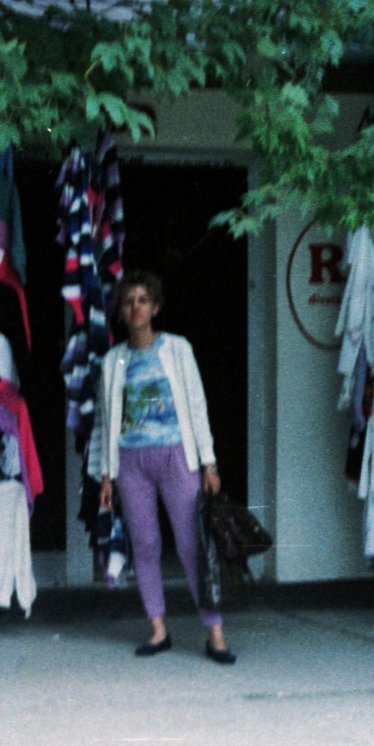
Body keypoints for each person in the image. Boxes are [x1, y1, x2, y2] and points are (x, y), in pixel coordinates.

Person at [87, 271, 235, 663]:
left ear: (155, 307)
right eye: (128, 301)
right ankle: (158, 629)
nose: (135, 308)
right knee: (146, 545)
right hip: (130, 462)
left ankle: (215, 632)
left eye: (142, 300)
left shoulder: (177, 349)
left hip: (176, 456)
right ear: (120, 311)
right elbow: (105, 421)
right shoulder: (112, 361)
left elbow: (197, 405)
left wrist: (209, 462)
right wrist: (105, 474)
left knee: (192, 545)